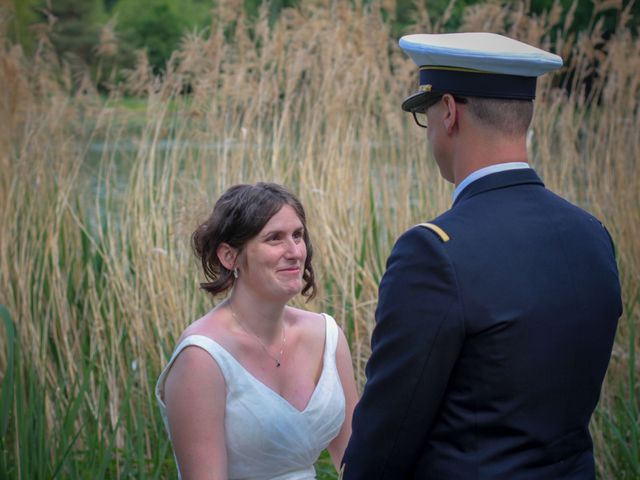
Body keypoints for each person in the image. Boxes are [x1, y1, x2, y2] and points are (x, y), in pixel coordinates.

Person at [342, 33, 622, 479]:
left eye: (426, 116)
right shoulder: (592, 235)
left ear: (449, 112)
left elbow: (386, 437)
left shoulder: (433, 252)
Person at [156, 182, 358, 480]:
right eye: (274, 238)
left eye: (298, 235)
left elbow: (356, 459)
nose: (294, 252)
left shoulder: (327, 336)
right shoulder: (202, 357)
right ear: (229, 257)